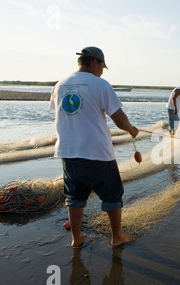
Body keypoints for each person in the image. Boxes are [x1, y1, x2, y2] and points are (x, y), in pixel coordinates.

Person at [49, 46, 139, 248]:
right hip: (97, 152)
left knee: (75, 196)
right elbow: (120, 120)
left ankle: (76, 238)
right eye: (102, 67)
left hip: (68, 152)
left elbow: (61, 112)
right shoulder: (100, 85)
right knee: (112, 196)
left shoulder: (59, 85)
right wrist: (132, 130)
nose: (102, 71)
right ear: (95, 62)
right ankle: (117, 237)